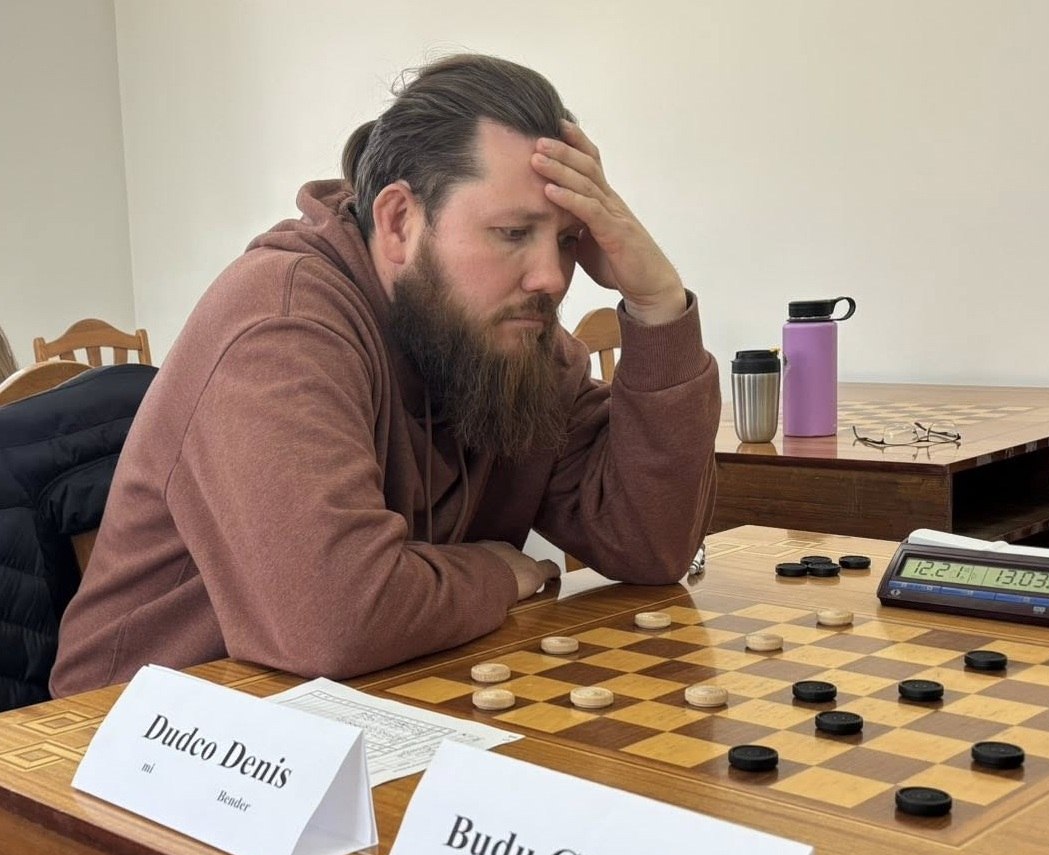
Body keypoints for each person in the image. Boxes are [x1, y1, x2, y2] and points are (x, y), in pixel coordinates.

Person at [51, 53, 720, 696]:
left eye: (567, 240)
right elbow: (331, 618)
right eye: (514, 233)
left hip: (361, 708)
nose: (552, 278)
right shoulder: (280, 323)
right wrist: (490, 571)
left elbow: (651, 545)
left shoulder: (508, 346)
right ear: (399, 222)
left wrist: (657, 306)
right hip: (135, 738)